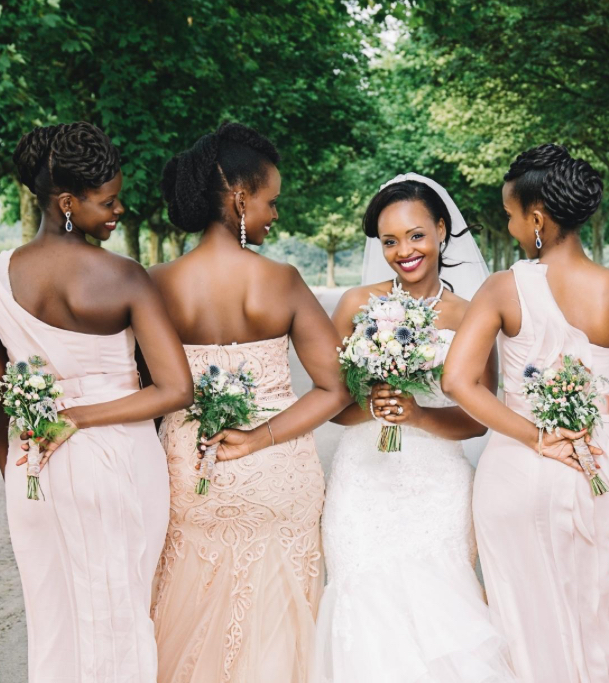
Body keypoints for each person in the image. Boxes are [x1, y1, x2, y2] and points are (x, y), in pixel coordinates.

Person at [148, 122, 349, 683]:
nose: (275, 215)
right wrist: (260, 436)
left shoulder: (156, 282)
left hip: (191, 471)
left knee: (189, 602)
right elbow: (335, 388)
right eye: (270, 201)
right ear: (239, 198)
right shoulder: (281, 280)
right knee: (276, 621)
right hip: (277, 475)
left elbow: (147, 386)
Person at [0, 122, 192, 682]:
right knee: (121, 615)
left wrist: (15, 471)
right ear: (66, 203)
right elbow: (175, 388)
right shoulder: (125, 277)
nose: (119, 209)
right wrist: (79, 416)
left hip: (34, 469)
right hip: (118, 462)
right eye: (107, 201)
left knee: (53, 621)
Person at [443, 144, 609, 682]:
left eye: (509, 215)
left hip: (518, 468)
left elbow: (457, 380)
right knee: (597, 609)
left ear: (536, 219)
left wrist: (535, 436)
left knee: (522, 618)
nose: (508, 227)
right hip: (596, 464)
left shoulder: (504, 287)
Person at [314, 175, 515, 683]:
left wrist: (419, 415)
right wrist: (373, 405)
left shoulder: (471, 315)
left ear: (442, 230)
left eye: (416, 235)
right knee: (364, 611)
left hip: (436, 488)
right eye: (390, 241)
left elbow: (478, 419)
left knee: (442, 613)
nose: (404, 251)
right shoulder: (355, 304)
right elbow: (333, 405)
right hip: (362, 485)